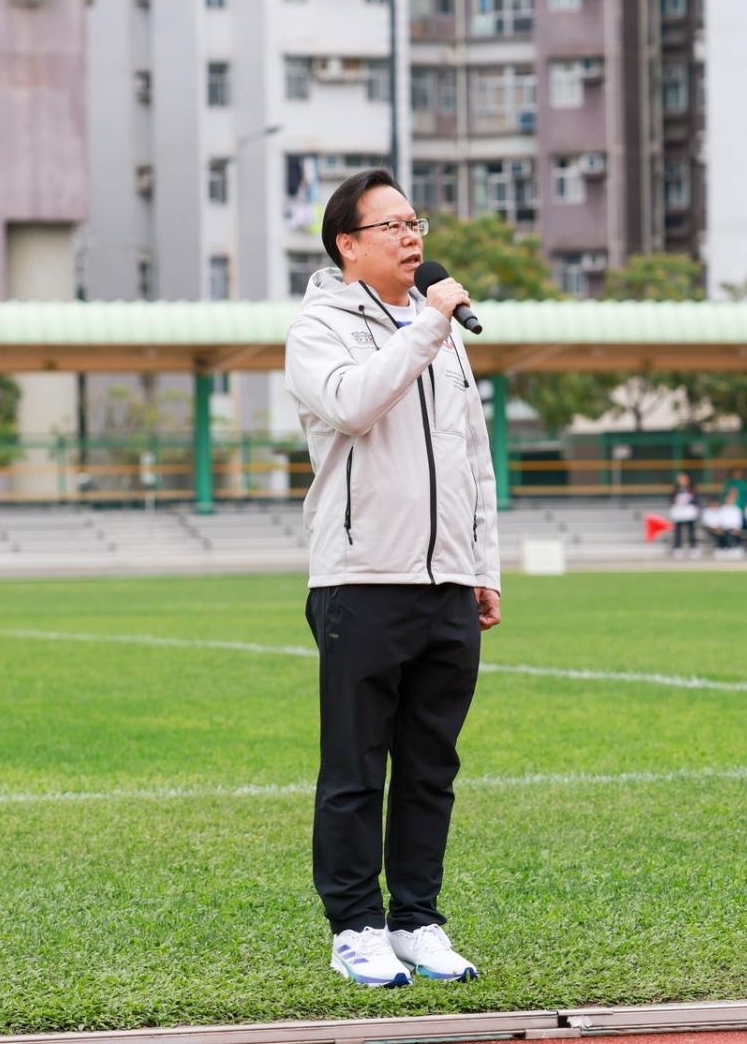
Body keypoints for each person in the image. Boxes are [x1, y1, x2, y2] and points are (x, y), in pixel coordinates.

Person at [284, 168, 497, 988]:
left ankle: (415, 920)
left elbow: (472, 459)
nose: (412, 238)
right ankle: (354, 927)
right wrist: (427, 327)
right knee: (354, 768)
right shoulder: (320, 326)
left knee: (430, 766)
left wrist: (482, 566)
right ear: (348, 244)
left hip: (446, 582)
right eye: (393, 226)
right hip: (362, 578)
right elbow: (351, 404)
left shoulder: (441, 335)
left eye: (416, 224)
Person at [669, 472, 701, 557]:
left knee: (691, 530)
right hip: (679, 511)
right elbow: (671, 499)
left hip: (689, 511)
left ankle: (693, 547)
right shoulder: (676, 489)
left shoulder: (691, 489)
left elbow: (696, 499)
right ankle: (678, 548)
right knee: (678, 530)